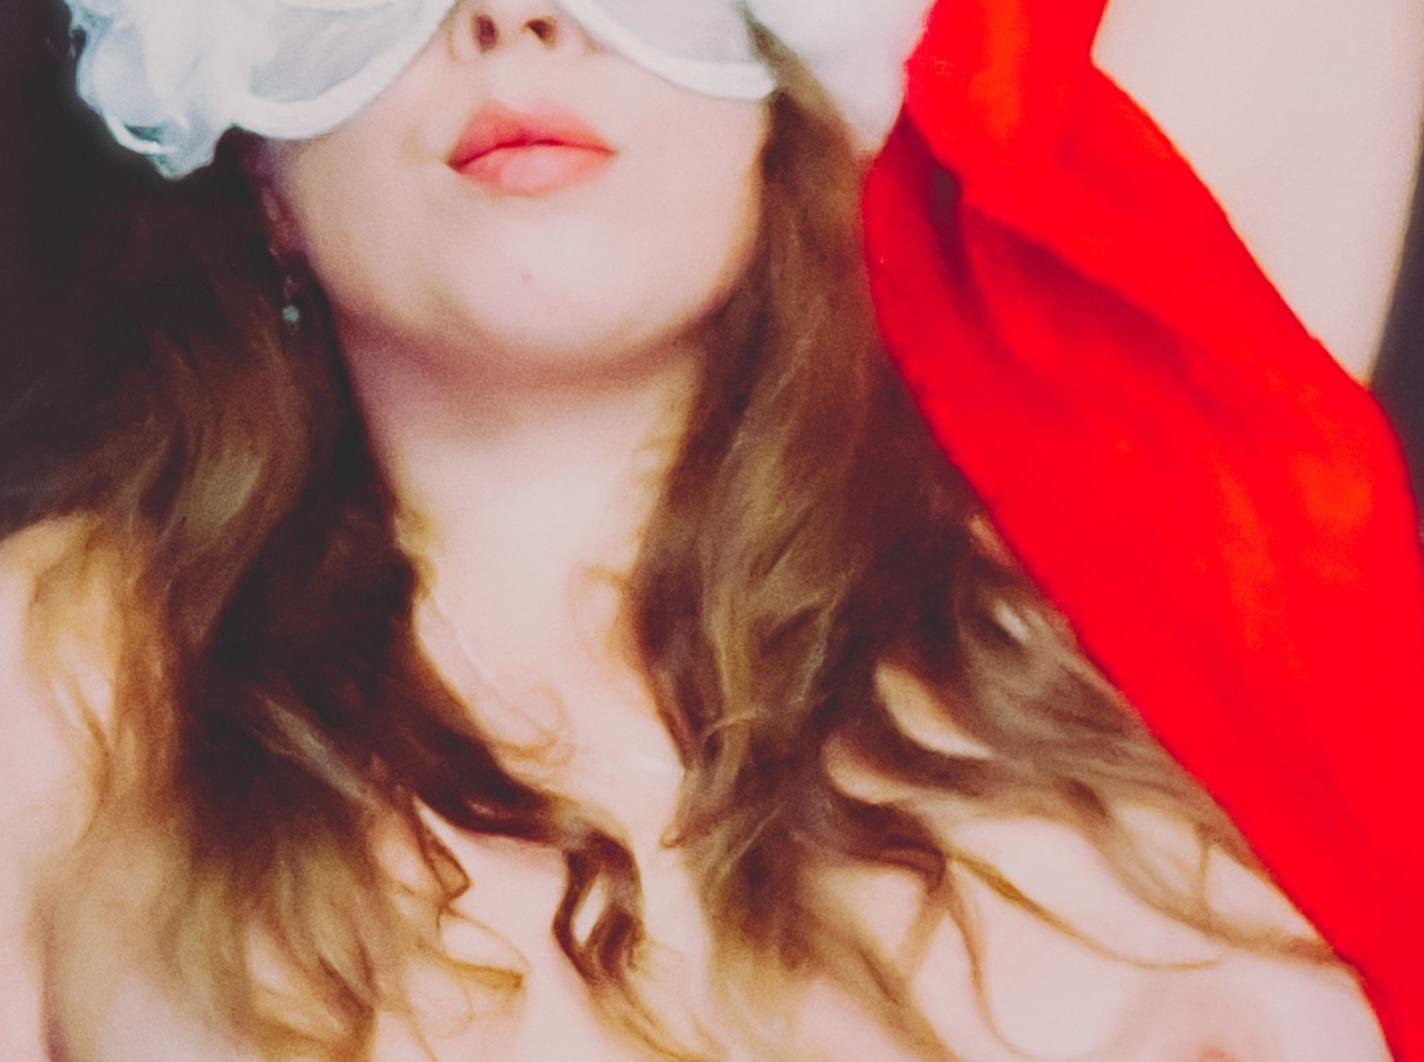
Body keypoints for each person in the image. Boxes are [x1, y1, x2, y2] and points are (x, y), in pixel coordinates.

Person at [0, 0, 1419, 1058]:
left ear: (791, 93)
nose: (514, 18)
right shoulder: (57, 682)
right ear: (262, 176)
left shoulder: (1114, 577)